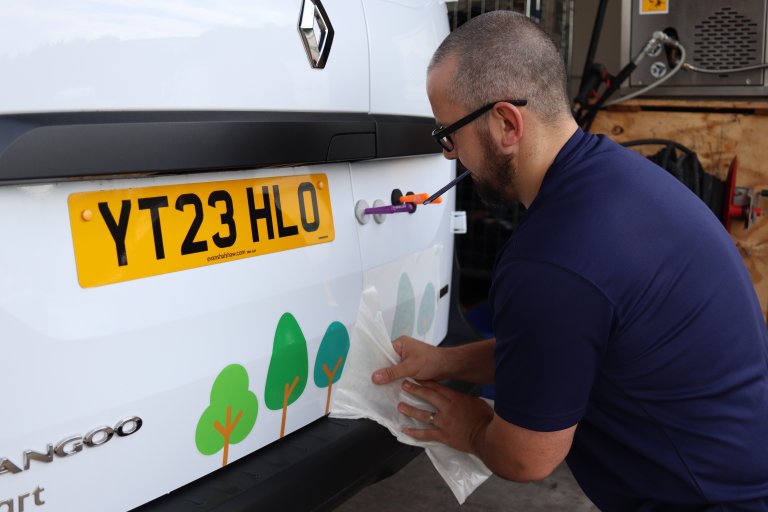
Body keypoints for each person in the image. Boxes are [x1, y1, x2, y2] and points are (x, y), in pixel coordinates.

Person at [372, 11, 768, 511]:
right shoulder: (620, 178)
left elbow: (526, 458)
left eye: (449, 134)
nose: (451, 156)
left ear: (505, 123)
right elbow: (562, 349)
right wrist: (447, 361)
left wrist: (470, 427)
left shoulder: (551, 259)